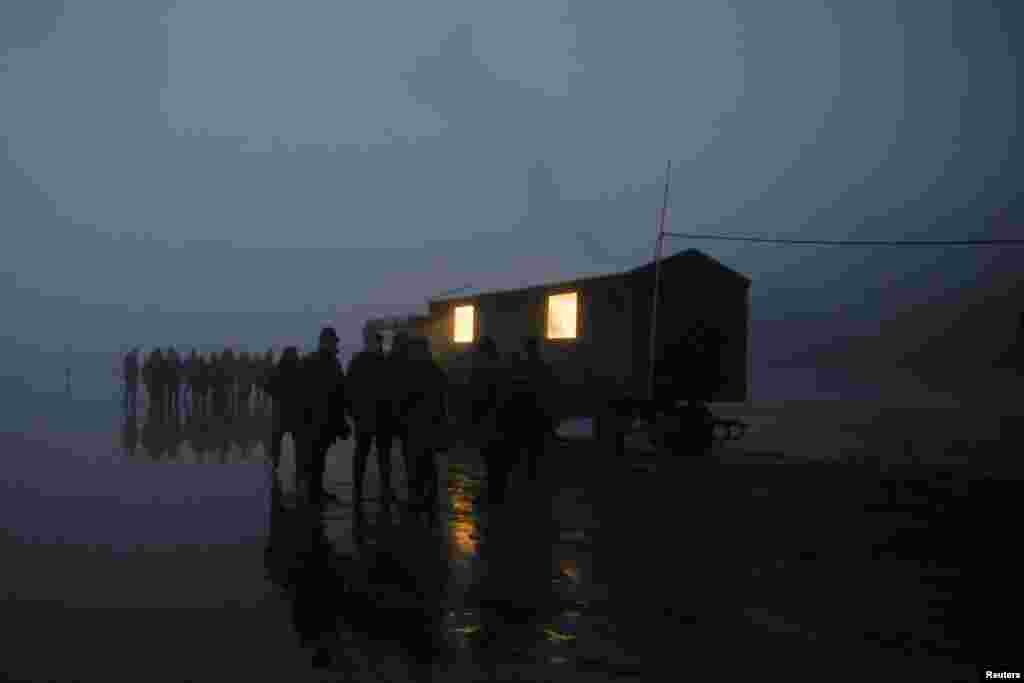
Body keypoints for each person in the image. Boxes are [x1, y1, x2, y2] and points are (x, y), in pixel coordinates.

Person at [396, 336, 449, 520]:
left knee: (415, 466)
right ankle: (430, 501)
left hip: (414, 428)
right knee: (428, 466)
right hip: (429, 427)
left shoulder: (411, 371)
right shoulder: (435, 370)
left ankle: (416, 501)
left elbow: (403, 399)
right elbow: (442, 399)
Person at [300, 327, 352, 506]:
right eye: (334, 342)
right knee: (317, 458)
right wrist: (343, 420)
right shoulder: (332, 363)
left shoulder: (309, 360)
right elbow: (340, 392)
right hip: (323, 420)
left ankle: (313, 491)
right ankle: (314, 493)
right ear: (326, 342)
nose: (336, 345)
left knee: (314, 457)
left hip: (312, 420)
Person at [347, 332, 397, 506]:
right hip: (381, 416)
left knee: (362, 452)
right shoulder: (385, 362)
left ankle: (358, 488)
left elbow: (349, 388)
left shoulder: (357, 362)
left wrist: (353, 412)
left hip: (366, 416)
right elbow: (391, 390)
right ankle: (385, 489)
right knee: (382, 454)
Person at [469, 336, 511, 504]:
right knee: (497, 459)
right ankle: (498, 491)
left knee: (490, 458)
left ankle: (494, 492)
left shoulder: (481, 370)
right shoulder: (501, 369)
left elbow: (476, 397)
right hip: (498, 422)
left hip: (487, 421)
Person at [265, 346, 306, 483]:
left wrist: (278, 395)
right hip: (295, 412)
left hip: (281, 411)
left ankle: (275, 465)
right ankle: (299, 469)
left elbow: (269, 387)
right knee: (298, 443)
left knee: (277, 440)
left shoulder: (278, 368)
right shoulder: (300, 369)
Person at [123, 348, 140, 414]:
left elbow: (126, 368)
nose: (137, 354)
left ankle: (128, 403)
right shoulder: (132, 359)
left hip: (130, 377)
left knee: (129, 391)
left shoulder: (128, 358)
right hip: (132, 378)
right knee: (131, 392)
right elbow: (135, 369)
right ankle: (131, 404)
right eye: (136, 352)